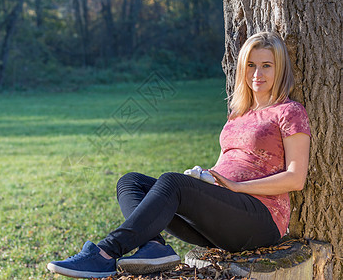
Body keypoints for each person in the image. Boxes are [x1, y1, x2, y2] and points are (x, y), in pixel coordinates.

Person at [47, 32, 311, 278]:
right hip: (224, 213)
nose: (257, 73)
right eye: (251, 65)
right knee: (131, 182)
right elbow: (226, 164)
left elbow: (295, 178)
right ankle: (154, 248)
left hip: (259, 219)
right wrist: (205, 179)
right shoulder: (238, 113)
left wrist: (237, 187)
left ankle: (105, 253)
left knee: (173, 182)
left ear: (280, 69)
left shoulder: (289, 111)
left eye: (267, 65)